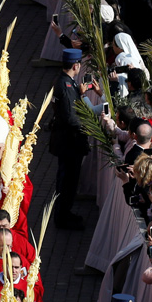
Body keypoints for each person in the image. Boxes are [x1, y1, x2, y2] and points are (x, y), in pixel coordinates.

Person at [48, 48, 89, 230]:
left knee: (67, 180)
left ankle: (64, 213)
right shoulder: (66, 87)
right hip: (69, 143)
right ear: (76, 65)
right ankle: (62, 217)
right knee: (67, 182)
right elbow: (71, 117)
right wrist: (88, 126)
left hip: (67, 141)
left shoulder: (65, 82)